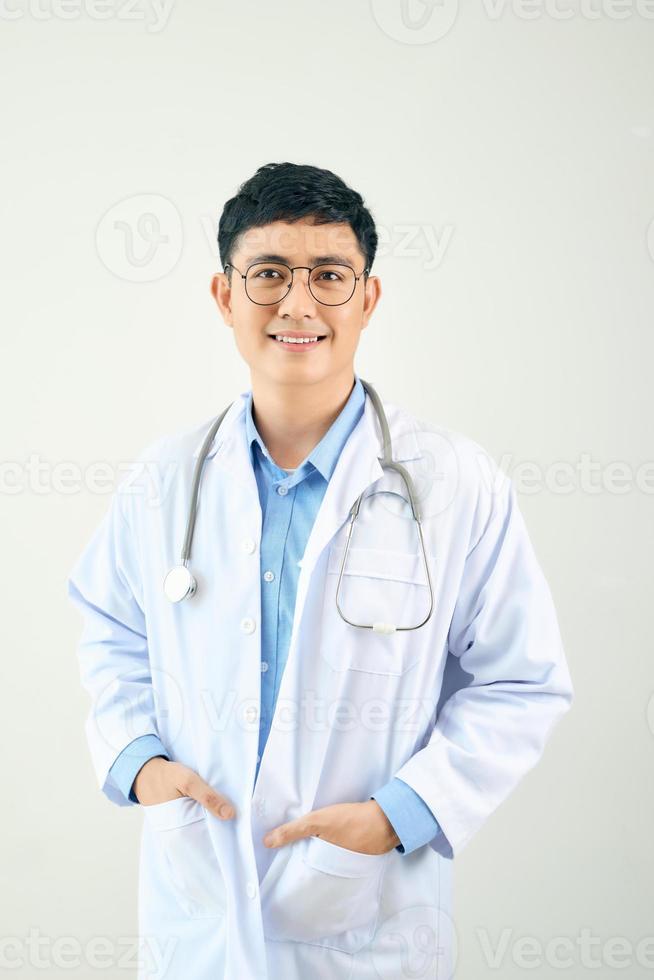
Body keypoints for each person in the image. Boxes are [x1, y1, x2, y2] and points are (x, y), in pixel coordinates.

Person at [67, 161, 574, 980]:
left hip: (367, 918)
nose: (297, 304)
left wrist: (399, 815)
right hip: (199, 903)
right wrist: (139, 765)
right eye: (267, 274)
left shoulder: (452, 482)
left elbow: (523, 680)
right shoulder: (164, 480)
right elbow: (110, 629)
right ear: (223, 297)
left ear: (367, 299)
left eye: (329, 276)